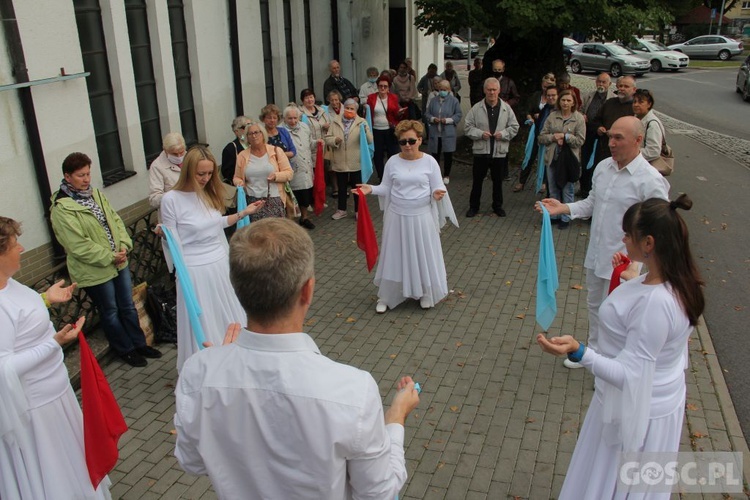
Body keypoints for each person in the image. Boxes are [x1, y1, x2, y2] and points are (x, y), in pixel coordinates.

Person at [174, 218, 420, 499]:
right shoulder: (353, 389)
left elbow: (191, 461)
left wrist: (218, 366)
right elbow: (380, 493)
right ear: (307, 290)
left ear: (236, 287)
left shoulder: (198, 371)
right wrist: (395, 419)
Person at [537, 194, 704, 500]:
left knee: (608, 480)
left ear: (649, 243)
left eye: (628, 234)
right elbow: (664, 348)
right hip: (657, 404)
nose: (623, 239)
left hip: (633, 410)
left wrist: (579, 351)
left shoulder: (656, 303)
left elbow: (632, 375)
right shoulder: (677, 283)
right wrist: (628, 279)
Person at [537, 116, 670, 368]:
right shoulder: (603, 168)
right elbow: (592, 203)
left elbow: (660, 227)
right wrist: (563, 207)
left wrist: (640, 266)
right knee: (595, 307)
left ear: (638, 140)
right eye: (610, 136)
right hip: (597, 254)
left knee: (621, 317)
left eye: (619, 137)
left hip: (626, 264)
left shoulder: (649, 179)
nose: (611, 142)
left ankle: (617, 365)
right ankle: (593, 355)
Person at [0, 217, 110, 499]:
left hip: (56, 395)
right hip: (37, 409)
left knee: (72, 460)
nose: (22, 248)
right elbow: (4, 366)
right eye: (15, 245)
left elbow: (20, 316)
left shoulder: (10, 283)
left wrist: (45, 299)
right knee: (54, 472)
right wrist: (55, 343)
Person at [50, 152, 161, 367]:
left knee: (127, 305)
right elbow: (77, 245)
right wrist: (110, 257)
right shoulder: (62, 209)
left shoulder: (95, 194)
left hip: (118, 261)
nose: (86, 179)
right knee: (110, 311)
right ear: (67, 176)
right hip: (95, 270)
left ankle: (140, 344)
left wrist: (123, 245)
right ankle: (125, 349)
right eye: (81, 175)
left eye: (88, 174)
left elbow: (115, 220)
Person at [160, 146, 263, 371]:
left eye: (209, 174)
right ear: (188, 171)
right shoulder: (171, 199)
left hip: (218, 262)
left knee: (229, 311)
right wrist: (165, 236)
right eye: (201, 174)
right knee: (205, 317)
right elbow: (172, 241)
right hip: (194, 269)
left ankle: (237, 359)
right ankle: (208, 366)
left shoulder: (208, 193)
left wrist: (243, 214)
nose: (206, 178)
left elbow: (216, 223)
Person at [356, 120, 457, 313]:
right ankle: (388, 295)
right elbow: (387, 187)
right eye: (403, 142)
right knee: (394, 254)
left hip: (422, 216)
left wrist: (437, 193)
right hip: (397, 216)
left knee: (422, 253)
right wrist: (371, 189)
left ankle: (425, 293)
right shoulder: (393, 161)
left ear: (419, 140)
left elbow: (438, 185)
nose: (407, 145)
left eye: (411, 141)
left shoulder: (430, 161)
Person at [464, 77, 520, 218]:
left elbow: (515, 127)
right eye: (489, 90)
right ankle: (473, 207)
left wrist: (504, 134)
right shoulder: (476, 108)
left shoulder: (506, 109)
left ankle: (497, 207)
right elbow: (467, 127)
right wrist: (480, 134)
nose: (492, 92)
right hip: (481, 151)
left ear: (499, 90)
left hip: (499, 152)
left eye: (494, 90)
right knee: (477, 181)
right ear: (484, 90)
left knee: (498, 182)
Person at [537, 89, 586, 229]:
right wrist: (554, 137)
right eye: (563, 100)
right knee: (553, 189)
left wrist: (566, 137)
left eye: (568, 100)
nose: (565, 103)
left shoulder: (579, 118)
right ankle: (554, 215)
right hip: (552, 158)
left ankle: (565, 217)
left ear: (573, 103)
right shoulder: (552, 116)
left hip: (568, 161)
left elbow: (580, 141)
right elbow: (541, 137)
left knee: (567, 190)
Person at [233, 121, 294, 222]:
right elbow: (236, 177)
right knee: (256, 235)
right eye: (250, 134)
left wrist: (276, 176)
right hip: (252, 201)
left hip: (274, 199)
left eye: (257, 132)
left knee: (275, 234)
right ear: (247, 137)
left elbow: (289, 173)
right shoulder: (242, 156)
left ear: (263, 134)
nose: (254, 136)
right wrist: (239, 182)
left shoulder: (276, 151)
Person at [325, 99, 372, 220]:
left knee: (357, 188)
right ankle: (341, 210)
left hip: (356, 160)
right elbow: (327, 138)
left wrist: (365, 131)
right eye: (347, 108)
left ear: (356, 110)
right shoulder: (335, 121)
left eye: (352, 109)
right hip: (340, 160)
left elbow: (370, 140)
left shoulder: (361, 122)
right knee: (341, 188)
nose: (349, 111)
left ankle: (358, 211)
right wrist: (335, 140)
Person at [513, 74, 557, 192]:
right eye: (544, 86)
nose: (546, 89)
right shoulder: (537, 97)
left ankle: (544, 183)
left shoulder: (555, 106)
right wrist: (531, 117)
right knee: (529, 156)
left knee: (546, 159)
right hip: (536, 133)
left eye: (549, 87)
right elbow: (529, 110)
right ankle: (522, 181)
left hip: (548, 137)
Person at [281, 104, 318, 229]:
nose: (293, 121)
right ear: (284, 118)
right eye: (290, 118)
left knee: (305, 195)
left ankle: (304, 217)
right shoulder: (281, 130)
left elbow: (310, 143)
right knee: (292, 196)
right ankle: (290, 222)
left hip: (305, 165)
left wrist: (317, 143)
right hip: (292, 167)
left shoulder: (304, 127)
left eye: (295, 118)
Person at [579, 73, 614, 198]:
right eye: (599, 81)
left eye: (604, 82)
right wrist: (581, 116)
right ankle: (583, 187)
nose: (600, 84)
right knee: (585, 160)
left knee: (599, 163)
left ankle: (594, 189)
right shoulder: (588, 96)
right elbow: (580, 109)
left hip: (603, 136)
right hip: (588, 132)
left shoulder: (612, 99)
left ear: (609, 84)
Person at [590, 75, 636, 166]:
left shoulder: (634, 108)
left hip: (622, 150)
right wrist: (599, 128)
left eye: (626, 86)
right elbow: (596, 120)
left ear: (634, 90)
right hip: (604, 148)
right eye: (620, 86)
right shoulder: (609, 102)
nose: (622, 89)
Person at [425, 79, 462, 184]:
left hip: (448, 132)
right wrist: (433, 119)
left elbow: (458, 114)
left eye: (445, 89)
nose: (442, 91)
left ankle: (446, 175)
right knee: (435, 154)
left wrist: (448, 120)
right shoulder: (433, 100)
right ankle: (436, 175)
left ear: (449, 89)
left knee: (448, 154)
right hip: (436, 132)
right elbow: (427, 114)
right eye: (441, 89)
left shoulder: (454, 101)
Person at [366, 75, 402, 180]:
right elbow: (368, 113)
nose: (382, 88)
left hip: (389, 129)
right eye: (380, 86)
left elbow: (396, 114)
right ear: (377, 86)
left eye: (385, 86)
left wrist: (399, 113)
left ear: (389, 88)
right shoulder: (371, 97)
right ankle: (381, 177)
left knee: (393, 154)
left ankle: (392, 176)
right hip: (376, 130)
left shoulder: (393, 97)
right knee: (378, 155)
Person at [148, 132, 186, 214]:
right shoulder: (157, 166)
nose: (179, 156)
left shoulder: (190, 157)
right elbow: (154, 199)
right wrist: (175, 195)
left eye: (181, 152)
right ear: (165, 151)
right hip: (174, 215)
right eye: (175, 154)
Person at [632, 89, 665, 165]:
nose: (636, 104)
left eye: (641, 102)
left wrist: (631, 153)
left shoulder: (652, 124)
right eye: (634, 102)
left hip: (646, 166)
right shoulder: (636, 118)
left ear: (649, 104)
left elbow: (653, 151)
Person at [220, 116, 252, 184]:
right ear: (236, 132)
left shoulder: (256, 145)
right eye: (245, 127)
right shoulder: (230, 149)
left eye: (251, 126)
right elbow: (228, 173)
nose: (249, 129)